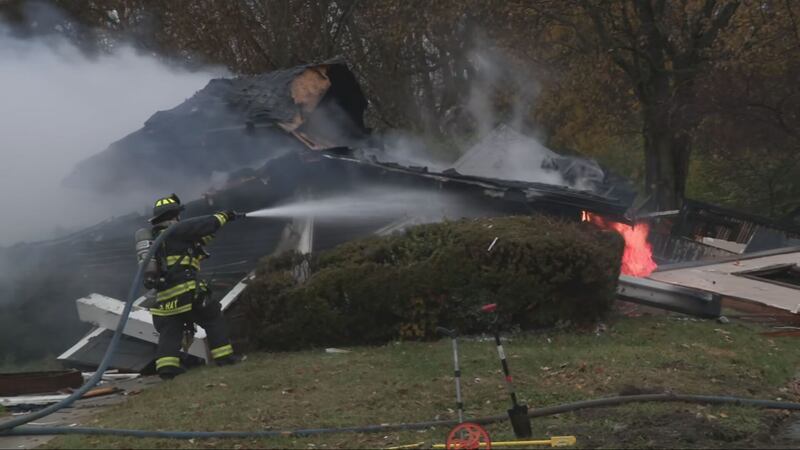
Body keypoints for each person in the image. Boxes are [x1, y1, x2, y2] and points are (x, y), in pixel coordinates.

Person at [147, 193, 239, 379]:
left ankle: (167, 368)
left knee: (171, 330)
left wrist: (214, 229)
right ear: (174, 215)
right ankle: (224, 357)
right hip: (186, 290)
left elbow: (200, 238)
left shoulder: (156, 239)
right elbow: (205, 224)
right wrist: (225, 216)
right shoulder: (177, 229)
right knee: (212, 317)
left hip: (164, 297)